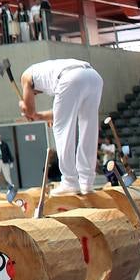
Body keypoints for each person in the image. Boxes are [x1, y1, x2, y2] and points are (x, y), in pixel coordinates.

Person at [19, 59, 103, 195]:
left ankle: (70, 182)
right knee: (89, 128)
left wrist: (23, 106)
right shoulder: (49, 72)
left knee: (62, 130)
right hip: (93, 76)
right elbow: (60, 113)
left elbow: (30, 112)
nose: (36, 95)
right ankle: (86, 182)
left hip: (70, 78)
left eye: (34, 94)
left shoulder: (25, 77)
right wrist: (38, 116)